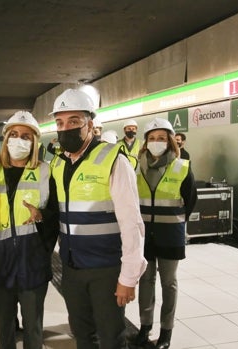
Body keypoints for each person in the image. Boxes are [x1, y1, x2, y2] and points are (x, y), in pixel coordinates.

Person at [49, 89, 147, 349]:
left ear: (90, 124)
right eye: (59, 122)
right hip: (71, 267)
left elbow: (132, 223)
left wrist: (128, 278)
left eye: (73, 121)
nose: (65, 128)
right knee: (83, 335)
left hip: (106, 269)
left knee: (112, 338)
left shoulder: (113, 160)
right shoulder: (58, 164)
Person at [0, 110, 58, 349]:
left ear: (35, 142)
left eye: (26, 136)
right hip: (0, 262)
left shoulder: (44, 171)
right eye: (15, 134)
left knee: (33, 326)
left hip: (33, 262)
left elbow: (55, 216)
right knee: (4, 324)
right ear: (6, 138)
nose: (19, 140)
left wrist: (41, 216)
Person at [134, 118, 197, 349]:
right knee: (145, 281)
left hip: (170, 234)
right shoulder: (136, 166)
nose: (156, 142)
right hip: (143, 235)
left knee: (168, 282)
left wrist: (176, 222)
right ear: (146, 141)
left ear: (170, 141)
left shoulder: (182, 166)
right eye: (152, 138)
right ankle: (144, 327)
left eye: (161, 138)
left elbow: (190, 200)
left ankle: (166, 332)